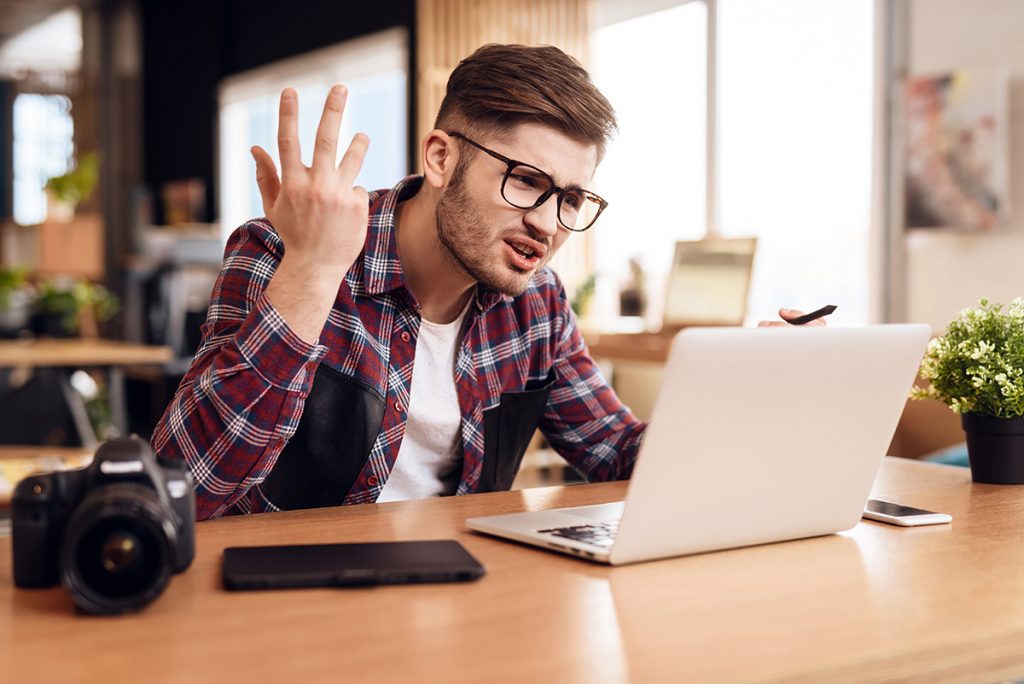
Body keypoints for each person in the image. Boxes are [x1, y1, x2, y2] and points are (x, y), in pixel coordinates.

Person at [153, 43, 813, 521]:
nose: (548, 225)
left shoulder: (537, 305)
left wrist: (739, 387)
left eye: (571, 199)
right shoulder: (283, 250)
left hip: (462, 603)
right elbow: (190, 483)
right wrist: (314, 273)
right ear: (441, 157)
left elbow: (616, 453)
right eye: (526, 181)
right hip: (288, 613)